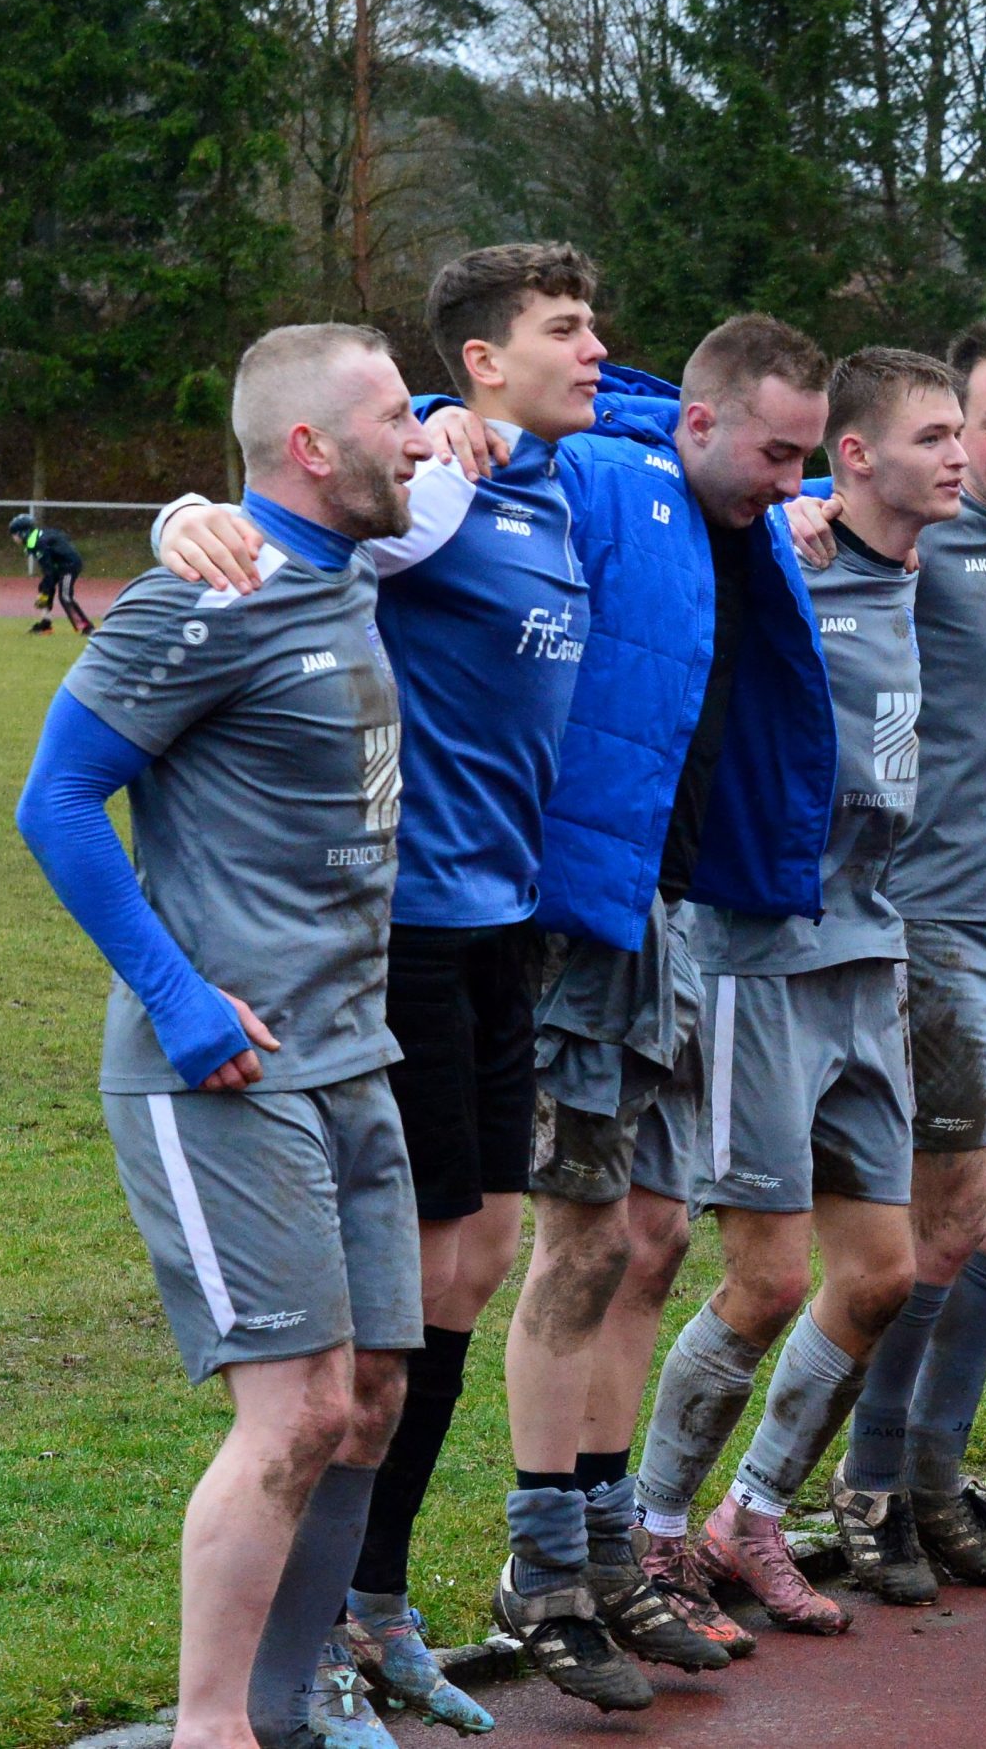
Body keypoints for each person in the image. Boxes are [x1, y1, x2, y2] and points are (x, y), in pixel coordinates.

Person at [152, 244, 606, 1727]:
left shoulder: (566, 474)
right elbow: (287, 517)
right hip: (393, 936)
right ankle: (322, 1640)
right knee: (375, 1329)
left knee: (466, 1276)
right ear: (477, 360)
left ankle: (374, 1599)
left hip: (507, 926)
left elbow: (710, 434)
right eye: (565, 327)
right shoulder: (419, 482)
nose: (597, 349)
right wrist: (184, 514)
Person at [386, 317, 833, 1672]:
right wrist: (438, 417)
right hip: (577, 918)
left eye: (806, 459)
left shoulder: (737, 511)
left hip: (672, 913)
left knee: (649, 1238)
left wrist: (811, 499)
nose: (789, 481)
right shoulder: (600, 467)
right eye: (776, 455)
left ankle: (604, 1548)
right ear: (697, 423)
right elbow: (424, 462)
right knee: (578, 1243)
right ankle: (544, 1574)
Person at [16, 324, 430, 1749]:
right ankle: (214, 1730)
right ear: (312, 447)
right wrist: (179, 997)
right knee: (296, 1410)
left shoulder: (348, 563)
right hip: (226, 1066)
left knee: (369, 1399)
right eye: (396, 416)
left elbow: (548, 413)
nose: (422, 438)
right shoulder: (206, 598)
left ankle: (282, 1710)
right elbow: (56, 801)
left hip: (354, 1053)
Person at [630, 348, 963, 1638]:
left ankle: (751, 1512)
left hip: (871, 958)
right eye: (933, 436)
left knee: (880, 1274)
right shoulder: (775, 556)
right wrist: (789, 508)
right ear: (853, 456)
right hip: (757, 959)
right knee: (765, 1279)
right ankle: (653, 1532)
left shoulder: (933, 570)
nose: (960, 455)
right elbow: (648, 444)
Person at [786, 318, 986, 1603]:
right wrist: (801, 502)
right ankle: (870, 1483)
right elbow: (830, 501)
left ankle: (933, 1467)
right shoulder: (922, 527)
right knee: (943, 1227)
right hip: (939, 924)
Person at [10, 511, 93, 634]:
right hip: (58, 566)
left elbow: (48, 570)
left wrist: (45, 592)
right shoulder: (37, 538)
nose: (13, 538)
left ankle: (87, 627)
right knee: (44, 587)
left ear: (23, 533)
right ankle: (46, 624)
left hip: (69, 566)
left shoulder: (39, 543)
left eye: (14, 534)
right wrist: (45, 591)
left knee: (64, 596)